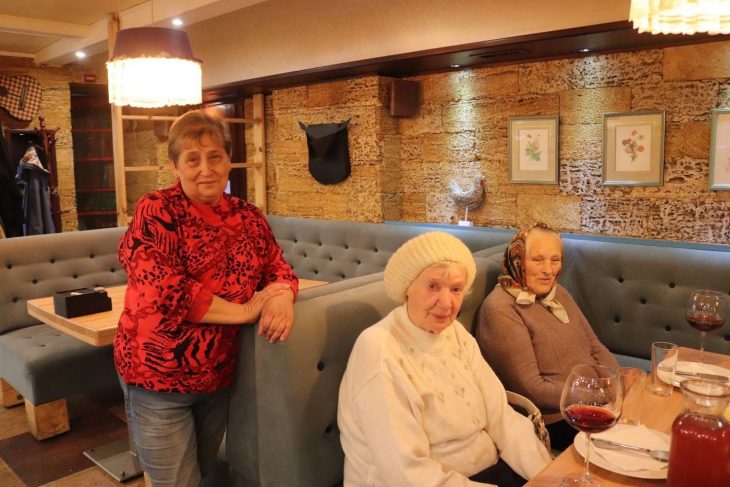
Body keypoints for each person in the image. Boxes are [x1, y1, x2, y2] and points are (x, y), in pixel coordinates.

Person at [114, 110, 298, 487]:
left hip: (217, 376)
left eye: (215, 157)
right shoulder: (157, 210)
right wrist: (245, 311)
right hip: (157, 377)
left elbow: (277, 266)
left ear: (228, 160)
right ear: (175, 165)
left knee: (207, 473)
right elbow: (165, 289)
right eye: (192, 159)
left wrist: (281, 295)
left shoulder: (249, 216)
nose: (205, 169)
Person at [338, 231, 551, 487]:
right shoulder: (378, 349)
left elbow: (502, 419)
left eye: (456, 289)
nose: (446, 303)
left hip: (488, 472)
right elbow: (406, 472)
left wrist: (549, 476)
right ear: (407, 287)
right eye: (433, 286)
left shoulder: (456, 334)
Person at [476, 223, 618, 451]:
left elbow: (595, 346)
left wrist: (615, 382)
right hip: (554, 420)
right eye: (537, 259)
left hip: (593, 402)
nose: (548, 270)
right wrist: (595, 394)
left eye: (555, 260)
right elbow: (532, 388)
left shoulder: (558, 292)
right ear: (517, 260)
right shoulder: (500, 308)